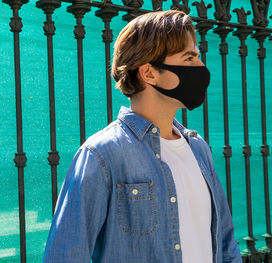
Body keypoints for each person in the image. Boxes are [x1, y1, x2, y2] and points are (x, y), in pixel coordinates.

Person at [42, 10, 242, 263]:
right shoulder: (102, 154)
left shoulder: (198, 148)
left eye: (198, 57)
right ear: (148, 73)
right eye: (189, 58)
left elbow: (225, 243)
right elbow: (66, 255)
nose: (201, 68)